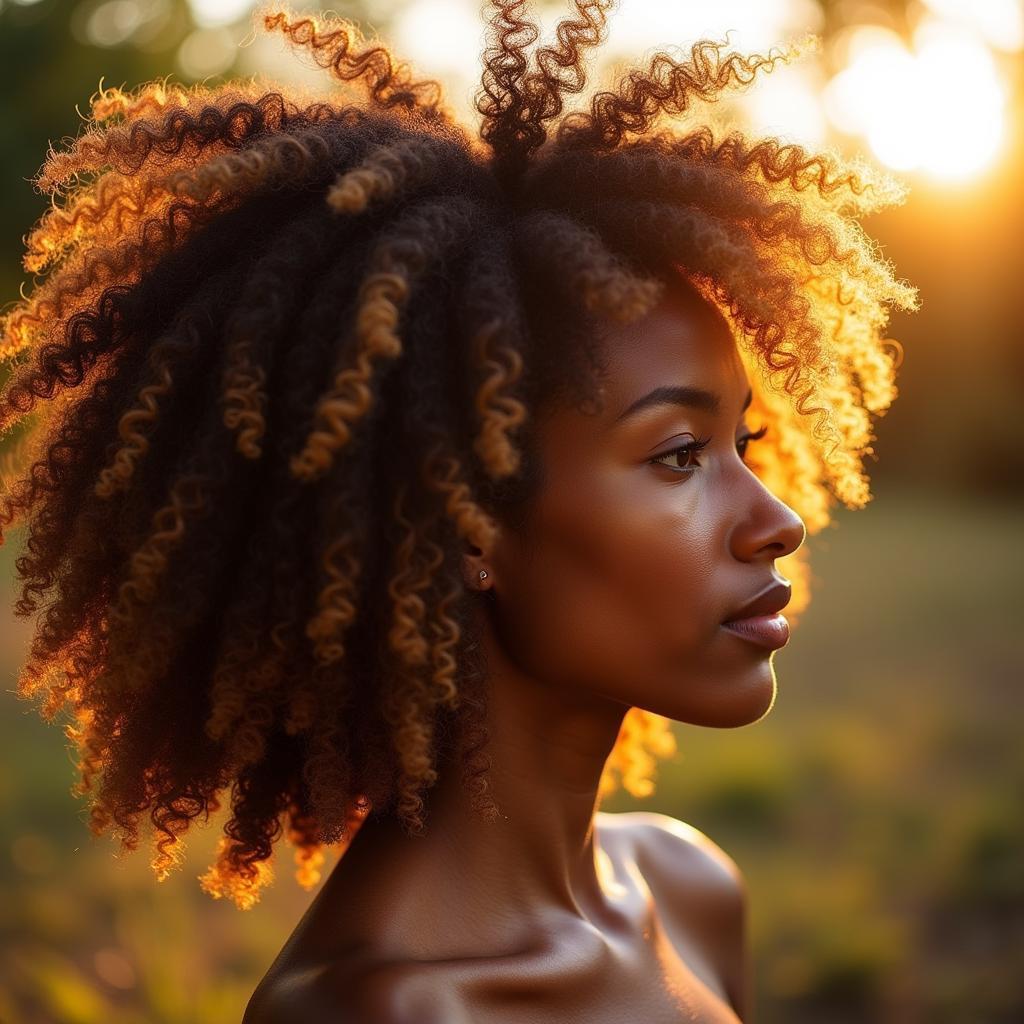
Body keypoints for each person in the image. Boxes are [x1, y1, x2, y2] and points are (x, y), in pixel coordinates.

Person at [0, 2, 916, 1020]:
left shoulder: (689, 888)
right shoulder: (382, 1012)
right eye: (675, 455)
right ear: (468, 523)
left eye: (741, 442)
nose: (776, 518)